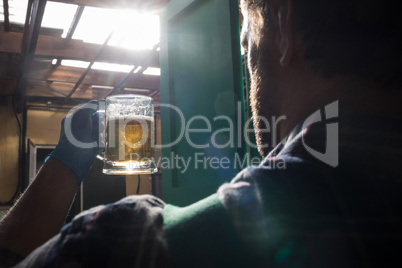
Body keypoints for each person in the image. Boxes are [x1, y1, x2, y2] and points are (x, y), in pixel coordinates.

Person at [1, 0, 402, 266]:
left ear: (285, 25)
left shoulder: (125, 244)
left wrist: (63, 164)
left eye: (247, 42)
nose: (249, 73)